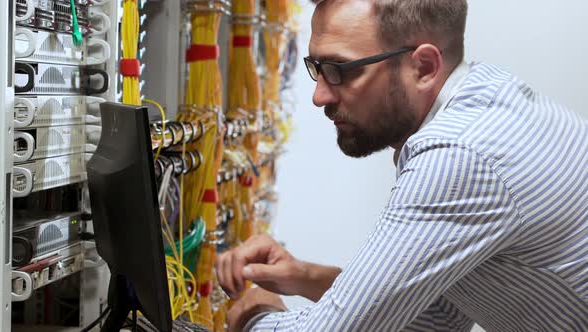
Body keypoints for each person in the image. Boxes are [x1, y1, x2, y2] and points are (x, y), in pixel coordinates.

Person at [216, 0, 588, 331]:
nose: (320, 96)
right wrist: (303, 277)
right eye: (317, 67)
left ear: (424, 66)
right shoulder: (485, 96)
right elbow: (441, 317)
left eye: (341, 70)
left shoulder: (458, 154)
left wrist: (254, 315)